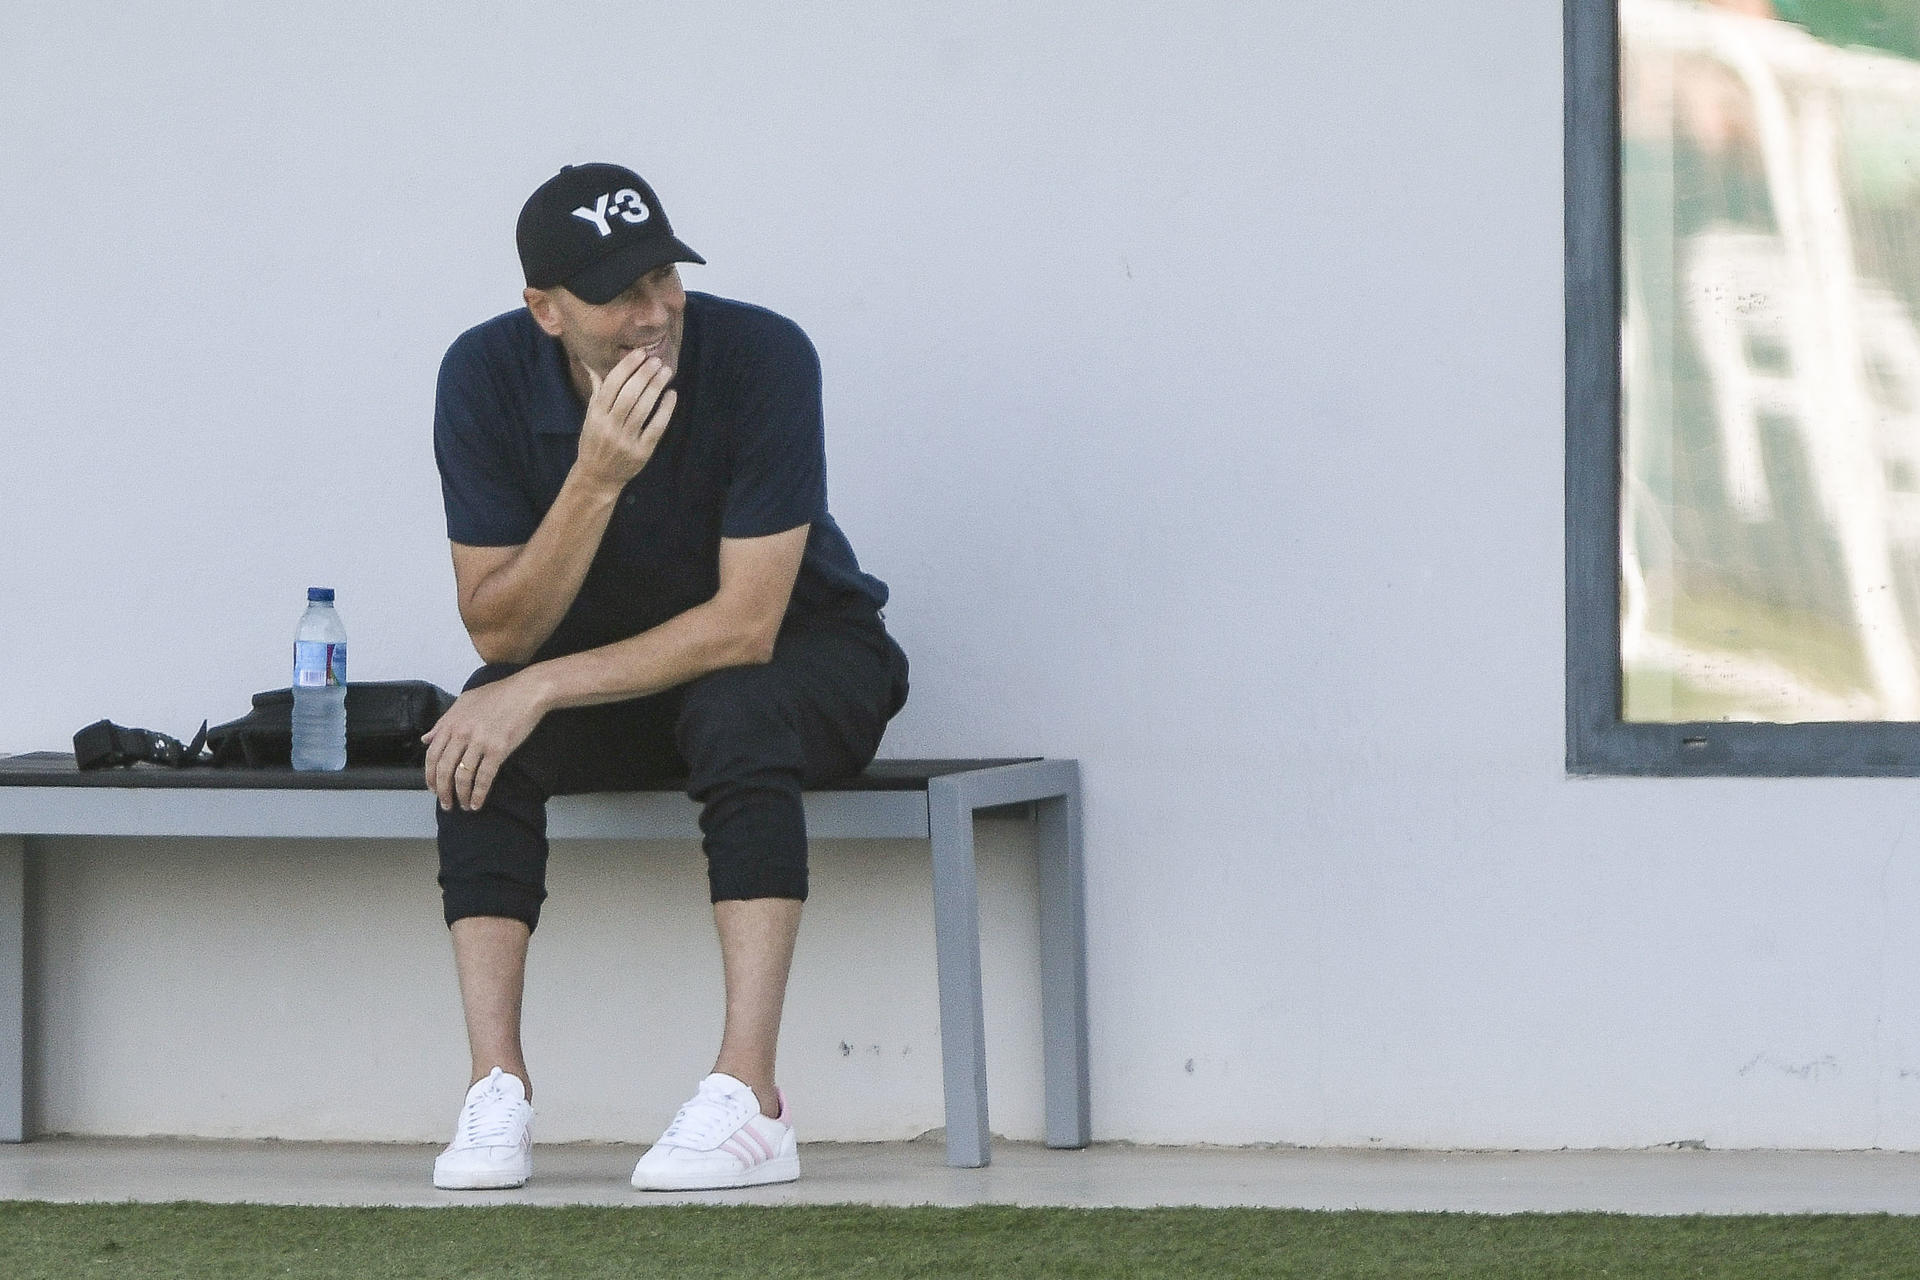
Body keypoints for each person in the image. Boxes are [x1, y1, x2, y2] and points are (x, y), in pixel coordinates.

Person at [421, 163, 909, 1192]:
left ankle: (751, 1100)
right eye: (621, 294)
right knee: (476, 727)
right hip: (636, 682)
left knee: (730, 706)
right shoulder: (481, 375)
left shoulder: (763, 356)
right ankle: (493, 1087)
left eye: (665, 278)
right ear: (545, 310)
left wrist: (543, 685)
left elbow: (745, 624)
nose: (656, 313)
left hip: (809, 655)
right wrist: (595, 478)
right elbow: (502, 628)